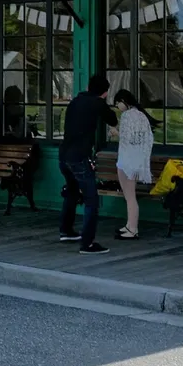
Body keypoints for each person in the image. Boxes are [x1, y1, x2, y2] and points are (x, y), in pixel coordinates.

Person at [58, 72, 117, 254]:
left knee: (72, 191)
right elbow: (112, 119)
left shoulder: (75, 101)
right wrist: (103, 101)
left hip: (63, 156)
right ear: (105, 92)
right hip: (80, 157)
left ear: (87, 88)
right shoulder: (97, 102)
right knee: (91, 199)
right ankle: (88, 244)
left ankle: (66, 230)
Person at [111, 89, 155, 239]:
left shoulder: (127, 116)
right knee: (130, 196)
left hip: (126, 162)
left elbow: (127, 137)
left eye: (117, 102)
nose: (117, 106)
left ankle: (132, 228)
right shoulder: (141, 115)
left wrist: (115, 132)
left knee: (129, 196)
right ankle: (129, 225)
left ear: (124, 101)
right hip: (137, 161)